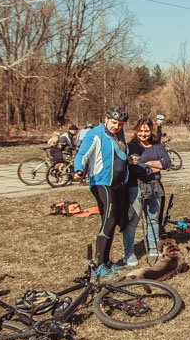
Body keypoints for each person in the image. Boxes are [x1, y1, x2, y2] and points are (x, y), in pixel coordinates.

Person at [74, 107, 130, 278]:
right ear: (106, 119)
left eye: (120, 124)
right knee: (109, 220)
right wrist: (78, 169)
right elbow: (82, 154)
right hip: (102, 182)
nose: (117, 126)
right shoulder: (95, 134)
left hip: (118, 184)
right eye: (114, 122)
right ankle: (98, 266)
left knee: (113, 221)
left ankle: (105, 260)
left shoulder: (119, 134)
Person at [121, 118, 172, 267]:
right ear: (136, 131)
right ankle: (129, 253)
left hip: (155, 186)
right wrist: (153, 166)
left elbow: (167, 162)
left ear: (151, 131)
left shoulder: (158, 145)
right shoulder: (130, 146)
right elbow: (134, 168)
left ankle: (154, 248)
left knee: (153, 219)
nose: (143, 134)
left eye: (147, 131)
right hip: (136, 187)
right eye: (141, 131)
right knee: (133, 221)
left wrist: (146, 164)